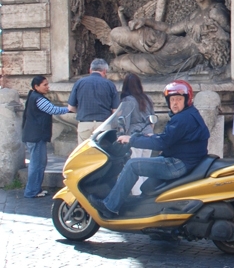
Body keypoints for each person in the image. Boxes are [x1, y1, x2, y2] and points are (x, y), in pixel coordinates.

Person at [93, 80, 209, 219]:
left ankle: (111, 206)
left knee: (132, 165)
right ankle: (144, 210)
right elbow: (172, 138)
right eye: (172, 100)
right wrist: (150, 137)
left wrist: (132, 140)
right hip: (184, 160)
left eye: (178, 99)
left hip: (177, 164)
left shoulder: (182, 119)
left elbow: (162, 143)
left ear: (187, 100)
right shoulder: (189, 115)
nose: (175, 103)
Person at [21, 76, 69, 199]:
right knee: (37, 164)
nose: (48, 87)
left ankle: (35, 189)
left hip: (33, 136)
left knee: (39, 163)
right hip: (36, 136)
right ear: (36, 86)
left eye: (47, 84)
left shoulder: (33, 96)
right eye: (45, 85)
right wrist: (69, 109)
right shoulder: (38, 99)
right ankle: (32, 191)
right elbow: (53, 109)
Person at [114, 73, 155, 196]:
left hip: (134, 137)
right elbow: (152, 119)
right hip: (149, 136)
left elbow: (124, 121)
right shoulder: (147, 99)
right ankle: (147, 194)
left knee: (134, 168)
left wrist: (121, 135)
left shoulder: (127, 101)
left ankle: (138, 196)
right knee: (145, 169)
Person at [68, 58, 119, 143]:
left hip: (85, 123)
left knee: (84, 152)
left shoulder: (79, 82)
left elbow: (70, 107)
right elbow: (115, 110)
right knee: (103, 152)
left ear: (90, 70)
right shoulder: (110, 84)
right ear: (105, 71)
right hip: (103, 124)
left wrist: (82, 111)